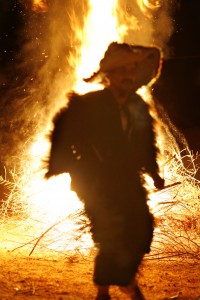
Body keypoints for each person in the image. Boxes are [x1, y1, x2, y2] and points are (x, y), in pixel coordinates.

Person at [45, 42, 164, 300]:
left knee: (141, 229)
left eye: (132, 70)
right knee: (111, 232)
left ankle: (124, 280)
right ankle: (106, 290)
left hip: (128, 180)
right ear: (109, 75)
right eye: (122, 70)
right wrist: (71, 166)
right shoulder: (89, 104)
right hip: (97, 181)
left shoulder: (137, 106)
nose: (129, 75)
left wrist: (153, 172)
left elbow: (147, 143)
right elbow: (62, 130)